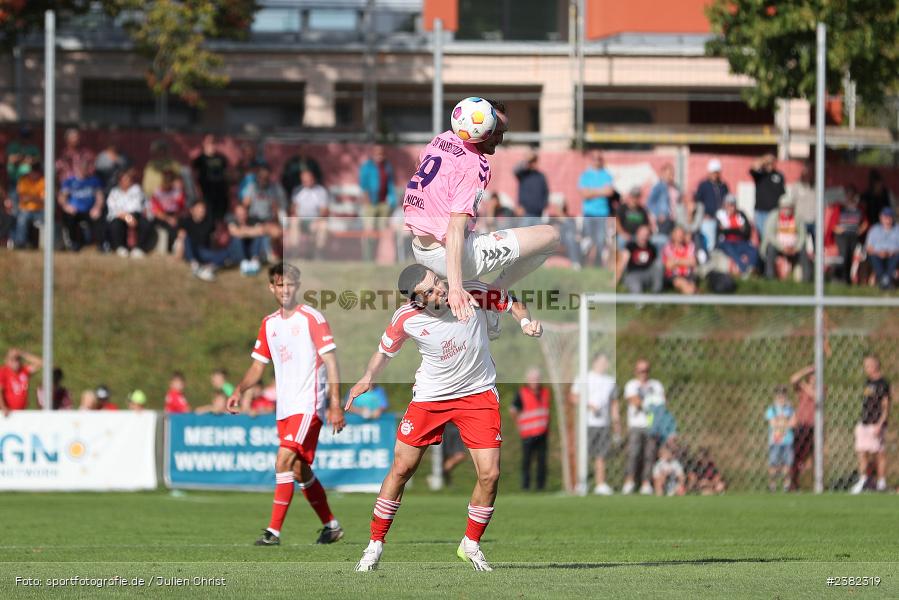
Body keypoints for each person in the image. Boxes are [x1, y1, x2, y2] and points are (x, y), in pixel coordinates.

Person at [348, 264, 542, 572]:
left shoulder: (470, 293)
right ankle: (374, 545)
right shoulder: (406, 318)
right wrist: (368, 377)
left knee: (490, 474)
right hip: (431, 397)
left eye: (438, 282)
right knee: (402, 468)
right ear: (417, 299)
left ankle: (471, 544)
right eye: (431, 289)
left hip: (477, 393)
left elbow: (512, 301)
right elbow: (384, 351)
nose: (440, 289)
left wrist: (525, 322)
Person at [403, 99, 559, 329]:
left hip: (419, 248)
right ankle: (496, 289)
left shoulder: (442, 139)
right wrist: (455, 287)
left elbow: (420, 162)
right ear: (480, 128)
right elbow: (455, 227)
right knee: (550, 236)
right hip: (450, 254)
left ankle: (487, 311)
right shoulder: (474, 165)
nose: (500, 138)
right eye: (496, 130)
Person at [226, 263, 346, 546]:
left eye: (289, 284)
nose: (284, 289)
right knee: (298, 470)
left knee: (282, 460)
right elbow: (258, 366)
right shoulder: (269, 324)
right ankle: (331, 526)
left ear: (297, 286)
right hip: (285, 408)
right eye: (279, 285)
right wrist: (240, 389)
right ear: (272, 288)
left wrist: (335, 404)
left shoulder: (311, 318)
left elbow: (331, 362)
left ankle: (273, 533)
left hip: (308, 404)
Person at [569, 352, 620, 495]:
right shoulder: (584, 378)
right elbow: (573, 397)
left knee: (601, 454)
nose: (604, 365)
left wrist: (616, 422)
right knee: (583, 453)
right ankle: (580, 483)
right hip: (587, 422)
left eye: (606, 362)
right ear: (595, 362)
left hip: (603, 423)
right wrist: (589, 405)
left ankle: (600, 483)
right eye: (602, 361)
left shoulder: (610, 381)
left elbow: (614, 403)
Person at [622, 359, 666, 495]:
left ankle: (646, 483)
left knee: (650, 455)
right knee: (633, 454)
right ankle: (629, 482)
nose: (643, 373)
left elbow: (662, 403)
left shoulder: (656, 385)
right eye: (641, 370)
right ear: (636, 371)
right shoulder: (631, 385)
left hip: (651, 425)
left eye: (646, 370)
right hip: (636, 425)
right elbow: (634, 400)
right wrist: (649, 404)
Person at [850, 355, 891, 494]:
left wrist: (880, 424)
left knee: (879, 453)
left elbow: (885, 406)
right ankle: (863, 480)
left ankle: (881, 482)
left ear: (875, 365)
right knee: (862, 452)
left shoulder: (883, 383)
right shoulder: (868, 382)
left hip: (876, 423)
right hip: (865, 422)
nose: (866, 368)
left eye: (868, 365)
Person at [177, 201, 243, 282]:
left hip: (204, 251)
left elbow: (214, 239)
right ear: (192, 210)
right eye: (199, 208)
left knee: (226, 254)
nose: (202, 210)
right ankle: (194, 265)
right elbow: (180, 236)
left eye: (203, 208)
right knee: (187, 238)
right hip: (191, 250)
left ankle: (207, 269)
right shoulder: (185, 221)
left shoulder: (209, 222)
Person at [510, 367, 551, 491]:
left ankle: (540, 487)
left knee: (542, 461)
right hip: (528, 433)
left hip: (542, 432)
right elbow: (513, 409)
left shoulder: (545, 392)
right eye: (533, 379)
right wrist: (519, 424)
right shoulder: (522, 392)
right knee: (527, 461)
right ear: (528, 380)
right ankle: (525, 486)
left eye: (537, 379)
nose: (535, 381)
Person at [359, 145, 397, 262]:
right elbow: (363, 184)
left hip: (383, 204)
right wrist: (366, 200)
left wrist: (392, 201)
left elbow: (390, 184)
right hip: (370, 203)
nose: (379, 155)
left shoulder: (387, 166)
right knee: (369, 231)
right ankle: (367, 258)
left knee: (382, 232)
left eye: (381, 153)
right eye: (377, 153)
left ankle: (380, 258)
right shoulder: (367, 167)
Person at [58, 157, 104, 251]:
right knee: (69, 218)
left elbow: (100, 196)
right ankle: (73, 243)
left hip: (90, 211)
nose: (83, 170)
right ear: (77, 168)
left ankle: (101, 244)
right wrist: (66, 206)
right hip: (74, 211)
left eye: (85, 168)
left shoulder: (94, 181)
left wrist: (97, 207)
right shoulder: (70, 181)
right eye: (81, 167)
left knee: (100, 218)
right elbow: (62, 197)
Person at [578, 149, 615, 266]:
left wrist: (592, 191)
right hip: (589, 213)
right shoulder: (585, 175)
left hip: (602, 214)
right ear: (591, 160)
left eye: (599, 158)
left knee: (600, 241)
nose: (597, 161)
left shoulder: (607, 175)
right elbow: (584, 194)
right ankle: (584, 263)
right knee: (587, 241)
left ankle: (597, 264)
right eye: (595, 158)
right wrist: (601, 190)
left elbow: (609, 192)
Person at [762, 194, 811, 282]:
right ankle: (770, 277)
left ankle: (806, 279)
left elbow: (802, 235)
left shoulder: (797, 218)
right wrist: (782, 247)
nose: (787, 210)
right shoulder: (774, 216)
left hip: (794, 248)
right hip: (778, 246)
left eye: (789, 207)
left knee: (803, 251)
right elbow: (770, 235)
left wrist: (796, 248)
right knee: (770, 249)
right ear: (780, 207)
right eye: (784, 207)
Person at [825, 186, 867, 284]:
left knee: (850, 256)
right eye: (848, 194)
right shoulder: (840, 207)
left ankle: (847, 279)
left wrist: (860, 230)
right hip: (842, 236)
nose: (850, 196)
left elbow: (865, 222)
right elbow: (832, 223)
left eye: (852, 194)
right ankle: (838, 277)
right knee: (843, 255)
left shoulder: (859, 208)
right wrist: (838, 229)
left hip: (854, 235)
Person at [106, 169, 153, 258]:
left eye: (129, 179)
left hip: (135, 215)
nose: (129, 181)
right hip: (120, 217)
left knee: (145, 223)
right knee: (115, 224)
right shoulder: (114, 192)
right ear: (120, 181)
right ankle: (120, 248)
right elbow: (113, 210)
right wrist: (127, 217)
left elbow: (137, 206)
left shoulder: (136, 189)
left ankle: (138, 249)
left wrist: (129, 217)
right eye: (126, 179)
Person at [289, 169, 330, 260]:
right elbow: (293, 209)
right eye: (304, 180)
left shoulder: (321, 191)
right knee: (293, 221)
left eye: (309, 180)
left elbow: (324, 210)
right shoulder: (297, 191)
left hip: (315, 220)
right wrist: (295, 214)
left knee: (323, 225)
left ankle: (318, 254)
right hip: (301, 220)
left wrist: (317, 220)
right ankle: (295, 253)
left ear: (314, 179)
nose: (307, 182)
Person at [789, 365, 817, 491]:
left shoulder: (820, 388)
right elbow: (793, 379)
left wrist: (805, 386)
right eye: (812, 377)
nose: (814, 379)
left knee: (808, 457)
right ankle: (793, 483)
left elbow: (816, 396)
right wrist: (806, 370)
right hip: (801, 425)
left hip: (812, 427)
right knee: (796, 455)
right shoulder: (802, 388)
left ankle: (813, 483)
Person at [715, 195, 758, 276]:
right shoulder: (720, 215)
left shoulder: (741, 215)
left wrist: (729, 229)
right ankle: (744, 269)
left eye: (732, 205)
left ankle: (752, 268)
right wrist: (738, 229)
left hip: (740, 242)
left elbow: (746, 232)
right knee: (730, 250)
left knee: (753, 250)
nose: (730, 207)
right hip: (726, 243)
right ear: (724, 205)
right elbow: (721, 232)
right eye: (728, 205)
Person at [192, 135, 231, 223]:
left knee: (221, 217)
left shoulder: (221, 158)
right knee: (209, 217)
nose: (212, 146)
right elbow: (194, 175)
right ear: (204, 144)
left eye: (213, 143)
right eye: (209, 143)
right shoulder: (199, 159)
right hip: (207, 193)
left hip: (221, 193)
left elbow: (226, 173)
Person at [765, 385, 796, 493]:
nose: (782, 398)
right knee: (774, 463)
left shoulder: (790, 409)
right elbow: (773, 424)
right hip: (776, 441)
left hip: (787, 441)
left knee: (787, 464)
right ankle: (772, 485)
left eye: (784, 396)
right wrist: (784, 421)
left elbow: (793, 423)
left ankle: (786, 486)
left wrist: (782, 421)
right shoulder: (772, 409)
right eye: (779, 396)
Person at [617, 224, 663, 294]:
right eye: (642, 234)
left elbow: (657, 266)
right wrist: (615, 281)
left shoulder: (652, 247)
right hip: (634, 274)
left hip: (648, 274)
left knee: (659, 264)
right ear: (637, 234)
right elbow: (622, 264)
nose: (644, 237)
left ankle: (656, 294)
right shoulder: (630, 246)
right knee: (635, 286)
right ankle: (639, 302)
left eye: (646, 235)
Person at [150, 168, 188, 253]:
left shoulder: (177, 192)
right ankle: (172, 247)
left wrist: (175, 217)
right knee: (170, 226)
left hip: (175, 215)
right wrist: (168, 218)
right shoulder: (157, 192)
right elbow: (156, 211)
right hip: (162, 216)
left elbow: (182, 209)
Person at [694, 159, 728, 251]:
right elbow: (697, 201)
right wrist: (703, 214)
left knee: (721, 242)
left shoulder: (723, 186)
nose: (715, 175)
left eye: (717, 172)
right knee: (709, 243)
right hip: (708, 219)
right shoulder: (704, 185)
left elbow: (727, 200)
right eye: (713, 172)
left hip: (721, 219)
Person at [749, 153, 785, 236]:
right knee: (762, 235)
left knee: (773, 235)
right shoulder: (760, 174)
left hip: (774, 212)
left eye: (772, 162)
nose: (770, 164)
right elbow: (753, 167)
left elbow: (783, 194)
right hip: (760, 211)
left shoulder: (779, 175)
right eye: (768, 162)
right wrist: (764, 159)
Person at [227, 203, 268, 275]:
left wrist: (244, 231)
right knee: (236, 239)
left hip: (250, 249)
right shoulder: (232, 221)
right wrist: (251, 231)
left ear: (247, 213)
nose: (242, 216)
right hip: (238, 252)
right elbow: (235, 233)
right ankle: (244, 263)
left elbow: (260, 231)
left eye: (243, 213)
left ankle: (254, 261)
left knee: (259, 237)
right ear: (235, 214)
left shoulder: (252, 220)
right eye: (239, 214)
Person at [864, 207, 899, 290]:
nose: (887, 219)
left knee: (896, 257)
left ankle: (884, 281)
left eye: (889, 217)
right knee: (873, 257)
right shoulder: (874, 229)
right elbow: (868, 247)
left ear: (892, 218)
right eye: (885, 216)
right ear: (881, 217)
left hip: (893, 254)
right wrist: (878, 252)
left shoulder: (897, 229)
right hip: (877, 254)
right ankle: (886, 280)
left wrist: (892, 252)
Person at [0, 347, 42, 414]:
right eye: (12, 359)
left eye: (17, 359)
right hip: (7, 412)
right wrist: (3, 407)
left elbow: (40, 363)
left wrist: (22, 353)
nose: (15, 362)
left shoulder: (24, 371)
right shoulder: (3, 372)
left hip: (21, 412)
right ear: (6, 360)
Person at [12, 163, 44, 249]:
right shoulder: (23, 180)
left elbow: (44, 199)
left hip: (40, 210)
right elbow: (22, 198)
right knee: (22, 220)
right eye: (33, 172)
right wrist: (36, 197)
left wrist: (30, 197)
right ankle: (21, 243)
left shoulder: (43, 181)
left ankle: (42, 245)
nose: (34, 175)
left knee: (47, 220)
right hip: (25, 209)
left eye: (36, 173)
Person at [646, 163, 679, 246]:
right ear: (663, 174)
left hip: (673, 219)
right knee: (663, 241)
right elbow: (649, 203)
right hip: (664, 219)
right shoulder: (659, 186)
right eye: (669, 174)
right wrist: (658, 214)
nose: (671, 176)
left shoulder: (675, 187)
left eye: (672, 174)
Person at [514, 150, 549, 226]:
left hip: (538, 214)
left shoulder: (541, 176)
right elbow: (515, 169)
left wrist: (544, 206)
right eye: (531, 161)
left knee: (537, 236)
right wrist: (526, 160)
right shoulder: (523, 174)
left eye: (534, 161)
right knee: (523, 235)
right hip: (525, 214)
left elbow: (546, 192)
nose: (532, 163)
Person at [662, 226, 698, 294]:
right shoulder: (668, 247)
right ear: (673, 235)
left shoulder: (689, 246)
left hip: (688, 275)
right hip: (673, 276)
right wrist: (685, 261)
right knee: (685, 286)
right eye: (677, 234)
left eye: (681, 234)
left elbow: (693, 262)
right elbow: (669, 265)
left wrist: (676, 261)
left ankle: (687, 303)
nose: (680, 236)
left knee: (691, 287)